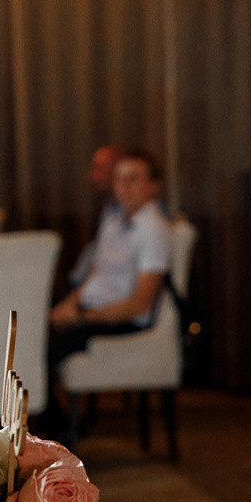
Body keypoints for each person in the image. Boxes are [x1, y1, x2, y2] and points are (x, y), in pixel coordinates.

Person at [48, 147, 173, 372]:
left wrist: (82, 317)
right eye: (119, 179)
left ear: (153, 186)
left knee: (44, 344)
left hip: (121, 320)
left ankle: (46, 407)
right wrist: (70, 304)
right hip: (93, 307)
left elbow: (140, 304)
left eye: (133, 179)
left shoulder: (153, 229)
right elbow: (96, 275)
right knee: (27, 318)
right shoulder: (112, 221)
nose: (124, 187)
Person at [66, 143, 123, 288]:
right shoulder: (110, 210)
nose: (93, 176)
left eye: (100, 169)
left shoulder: (133, 218)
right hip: (84, 286)